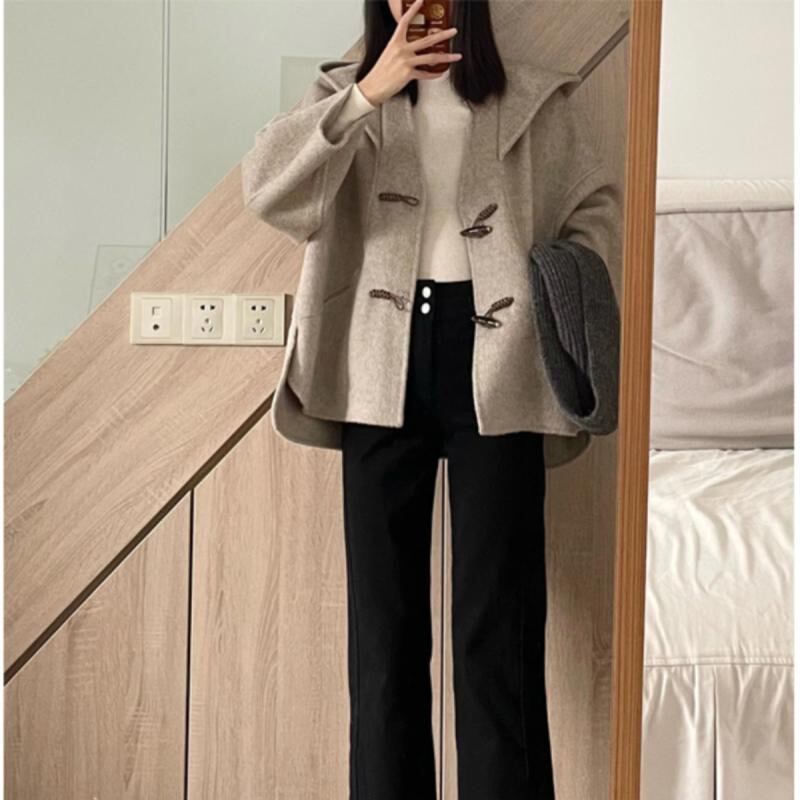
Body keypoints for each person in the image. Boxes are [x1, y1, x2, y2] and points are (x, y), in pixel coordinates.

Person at [241, 1, 621, 797]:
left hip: (501, 364)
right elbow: (269, 193)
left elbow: (594, 206)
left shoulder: (536, 99)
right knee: (383, 643)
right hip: (378, 368)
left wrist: (550, 293)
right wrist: (367, 93)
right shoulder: (344, 96)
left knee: (499, 635)